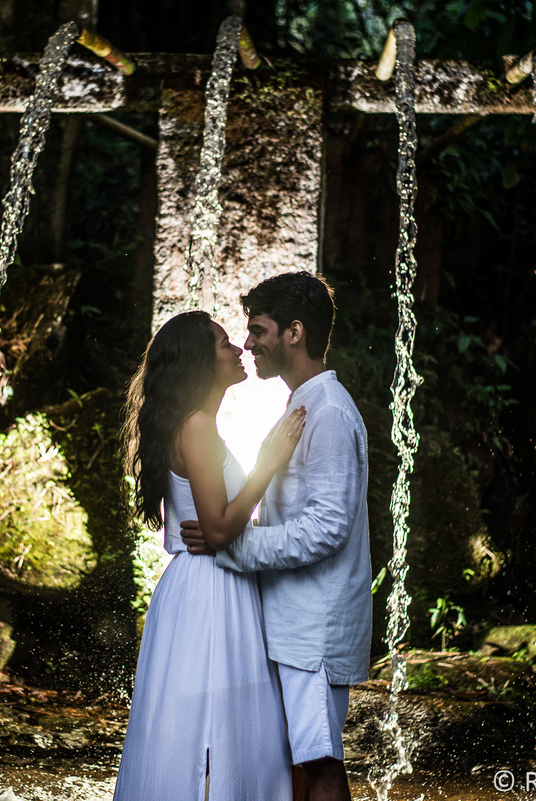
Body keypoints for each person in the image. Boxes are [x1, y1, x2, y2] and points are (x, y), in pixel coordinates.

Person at [183, 272, 371, 801]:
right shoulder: (303, 406)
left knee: (320, 761)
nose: (248, 344)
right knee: (298, 759)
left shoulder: (329, 412)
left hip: (315, 627)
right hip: (296, 622)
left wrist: (233, 546)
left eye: (258, 330)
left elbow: (327, 529)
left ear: (295, 332)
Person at [113, 309, 306, 801]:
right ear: (201, 361)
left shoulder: (196, 424)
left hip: (206, 584)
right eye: (224, 344)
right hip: (210, 589)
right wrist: (269, 462)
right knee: (212, 731)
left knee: (204, 730)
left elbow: (220, 524)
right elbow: (218, 529)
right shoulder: (196, 426)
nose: (238, 348)